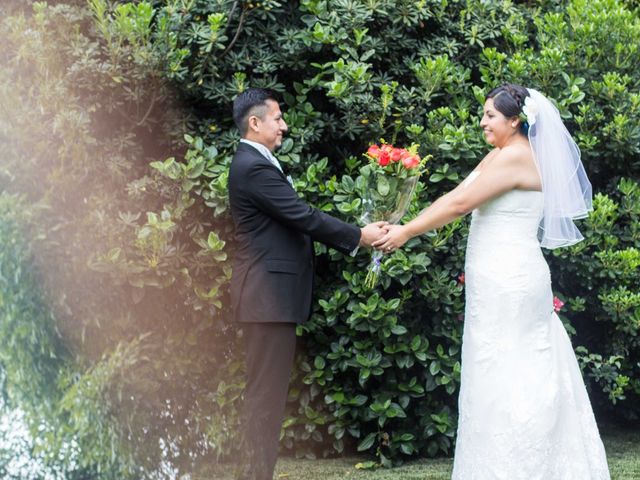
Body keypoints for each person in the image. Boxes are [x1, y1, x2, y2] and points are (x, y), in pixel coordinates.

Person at [374, 84, 610, 479]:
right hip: (498, 276)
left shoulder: (515, 157)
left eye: (490, 116)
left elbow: (461, 205)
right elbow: (457, 193)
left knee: (510, 371)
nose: (482, 121)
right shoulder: (501, 154)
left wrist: (405, 233)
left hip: (510, 277)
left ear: (514, 120)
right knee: (498, 367)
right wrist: (400, 220)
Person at [227, 88, 386, 480]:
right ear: (255, 122)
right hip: (266, 297)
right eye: (278, 118)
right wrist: (358, 236)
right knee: (265, 396)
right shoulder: (252, 166)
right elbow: (301, 215)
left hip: (269, 297)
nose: (283, 125)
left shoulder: (259, 163)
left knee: (267, 394)